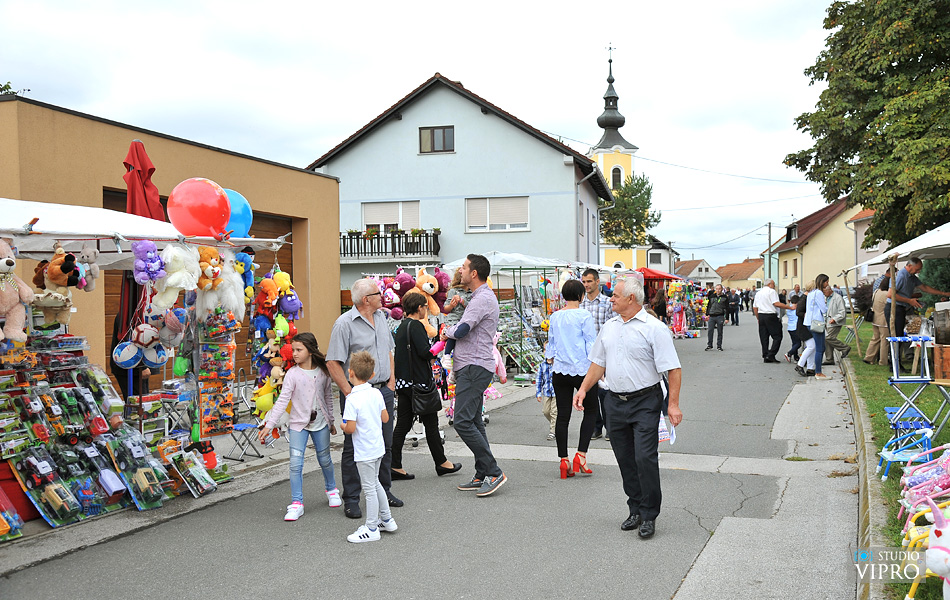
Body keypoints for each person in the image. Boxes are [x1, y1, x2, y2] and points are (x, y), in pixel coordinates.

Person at [573, 276, 682, 539]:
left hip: (645, 401)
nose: (611, 298)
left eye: (616, 295)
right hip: (613, 401)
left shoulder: (654, 328)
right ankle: (634, 507)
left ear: (631, 299)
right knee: (625, 459)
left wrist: (674, 405)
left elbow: (673, 369)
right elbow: (598, 362)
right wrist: (584, 389)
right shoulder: (609, 327)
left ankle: (649, 514)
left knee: (644, 458)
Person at [327, 278, 400, 520]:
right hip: (357, 395)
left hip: (382, 391)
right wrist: (350, 392)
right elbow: (333, 362)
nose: (384, 296)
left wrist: (390, 382)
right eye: (379, 293)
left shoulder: (381, 317)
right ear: (366, 299)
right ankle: (351, 499)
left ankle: (383, 492)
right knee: (353, 447)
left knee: (384, 444)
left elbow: (389, 350)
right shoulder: (344, 324)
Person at [440, 254, 507, 497]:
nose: (461, 270)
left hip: (474, 365)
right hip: (472, 364)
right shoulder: (480, 297)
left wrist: (446, 331)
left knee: (462, 421)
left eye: (464, 267)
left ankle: (493, 471)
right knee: (475, 421)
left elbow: (463, 328)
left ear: (474, 273)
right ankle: (482, 472)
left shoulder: (482, 298)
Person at [258, 332, 340, 521]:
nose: (294, 354)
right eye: (293, 350)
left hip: (320, 423)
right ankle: (297, 503)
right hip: (297, 424)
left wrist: (331, 421)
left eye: (298, 350)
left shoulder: (324, 372)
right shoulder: (292, 374)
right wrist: (269, 425)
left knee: (325, 458)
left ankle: (332, 489)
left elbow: (328, 397)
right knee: (296, 463)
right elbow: (282, 400)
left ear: (310, 351)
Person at [391, 293, 462, 480]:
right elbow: (425, 352)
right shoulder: (416, 326)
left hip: (404, 382)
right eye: (425, 307)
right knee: (431, 423)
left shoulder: (401, 327)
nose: (426, 310)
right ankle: (442, 463)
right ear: (419, 308)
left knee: (403, 424)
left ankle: (394, 464)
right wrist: (442, 343)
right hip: (419, 383)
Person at [341, 351, 397, 543]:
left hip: (364, 451)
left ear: (350, 373)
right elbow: (385, 418)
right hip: (378, 447)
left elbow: (350, 428)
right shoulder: (376, 393)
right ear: (372, 375)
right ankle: (387, 518)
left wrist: (342, 425)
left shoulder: (352, 399)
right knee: (376, 483)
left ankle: (372, 527)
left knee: (369, 488)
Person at [545, 279, 597, 479]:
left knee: (563, 415)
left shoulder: (555, 316)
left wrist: (550, 359)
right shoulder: (584, 315)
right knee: (591, 411)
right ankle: (581, 455)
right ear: (581, 295)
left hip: (560, 369)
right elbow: (590, 343)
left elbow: (551, 343)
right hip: (582, 369)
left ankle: (563, 460)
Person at [884, 257, 950, 372]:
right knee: (897, 336)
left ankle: (896, 364)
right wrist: (909, 301)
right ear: (909, 266)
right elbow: (890, 294)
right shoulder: (901, 276)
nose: (918, 272)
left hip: (901, 308)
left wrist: (943, 293)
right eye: (917, 269)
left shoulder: (912, 277)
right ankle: (894, 366)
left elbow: (924, 287)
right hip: (894, 308)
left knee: (899, 335)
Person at [580, 268, 612, 440]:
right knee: (589, 392)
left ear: (597, 281)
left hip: (603, 353)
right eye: (584, 282)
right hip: (585, 355)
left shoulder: (607, 303)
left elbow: (612, 328)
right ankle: (596, 426)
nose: (586, 285)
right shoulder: (580, 305)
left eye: (589, 281)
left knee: (605, 392)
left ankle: (609, 427)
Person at [753, 279, 790, 363]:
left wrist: (758, 318)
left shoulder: (758, 293)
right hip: (770, 315)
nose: (774, 286)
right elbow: (776, 303)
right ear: (770, 284)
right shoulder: (771, 292)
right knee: (777, 336)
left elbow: (755, 307)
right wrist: (788, 307)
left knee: (764, 337)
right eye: (773, 284)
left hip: (761, 314)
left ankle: (765, 355)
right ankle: (771, 354)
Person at [440, 267, 472, 366]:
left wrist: (462, 301)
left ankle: (456, 366)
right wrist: (452, 305)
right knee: (453, 334)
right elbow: (446, 307)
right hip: (454, 319)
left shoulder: (473, 292)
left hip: (465, 320)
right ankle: (446, 355)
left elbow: (473, 307)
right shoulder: (453, 291)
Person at [805, 274, 831, 380]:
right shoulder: (819, 293)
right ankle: (818, 372)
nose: (827, 284)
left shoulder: (811, 293)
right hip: (817, 323)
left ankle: (815, 369)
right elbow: (823, 309)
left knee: (818, 347)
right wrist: (827, 306)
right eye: (826, 282)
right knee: (820, 348)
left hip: (808, 322)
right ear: (822, 282)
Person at [863, 277, 891, 365]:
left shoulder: (876, 292)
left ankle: (869, 357)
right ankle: (883, 361)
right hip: (884, 320)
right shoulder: (887, 294)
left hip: (875, 318)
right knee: (884, 341)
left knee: (875, 338)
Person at [823, 282, 850, 365]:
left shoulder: (838, 298)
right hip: (827, 321)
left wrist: (835, 319)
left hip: (835, 322)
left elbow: (842, 312)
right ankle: (829, 359)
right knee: (827, 340)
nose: (824, 293)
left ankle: (844, 348)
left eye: (824, 292)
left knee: (828, 338)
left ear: (829, 290)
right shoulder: (827, 298)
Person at [795, 282, 817, 377]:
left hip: (806, 325)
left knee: (812, 346)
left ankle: (810, 368)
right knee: (811, 346)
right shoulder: (803, 299)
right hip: (803, 326)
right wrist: (808, 316)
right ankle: (800, 365)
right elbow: (798, 312)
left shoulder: (806, 298)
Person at [536, 347, 557, 441]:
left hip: (557, 392)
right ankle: (556, 424)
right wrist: (538, 393)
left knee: (554, 412)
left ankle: (553, 431)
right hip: (547, 392)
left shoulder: (557, 363)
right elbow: (539, 379)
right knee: (546, 411)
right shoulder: (542, 365)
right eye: (544, 350)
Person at [704, 283, 728, 351]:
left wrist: (727, 318)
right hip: (711, 316)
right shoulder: (712, 296)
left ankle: (719, 345)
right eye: (716, 289)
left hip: (720, 315)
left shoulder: (724, 297)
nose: (718, 290)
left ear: (722, 289)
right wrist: (707, 314)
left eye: (719, 289)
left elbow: (727, 308)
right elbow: (709, 306)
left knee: (720, 331)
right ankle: (709, 345)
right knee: (710, 331)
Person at [784, 294, 801, 363]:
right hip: (795, 327)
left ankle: (796, 357)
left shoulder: (789, 309)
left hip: (790, 328)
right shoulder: (796, 309)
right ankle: (789, 353)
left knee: (794, 343)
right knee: (798, 343)